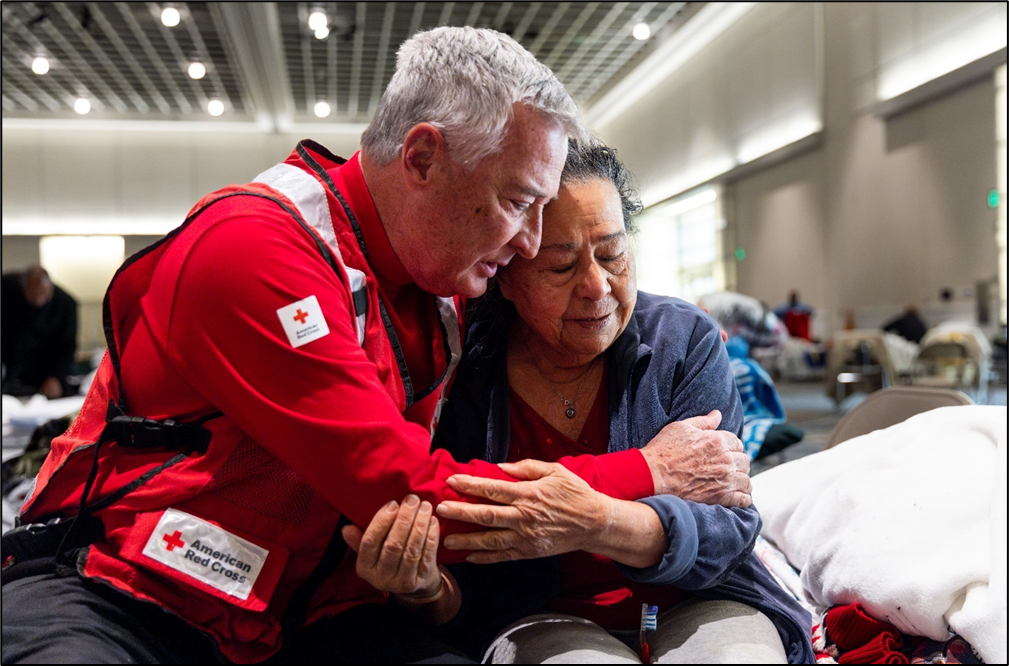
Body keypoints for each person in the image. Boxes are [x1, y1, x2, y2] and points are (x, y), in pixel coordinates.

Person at [2, 28, 751, 665]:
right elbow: (408, 490)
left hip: (312, 611)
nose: (527, 243)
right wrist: (645, 471)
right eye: (518, 202)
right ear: (422, 159)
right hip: (123, 593)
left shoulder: (459, 291)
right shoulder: (253, 252)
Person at [415, 141, 809, 662]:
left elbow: (726, 529)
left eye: (613, 254)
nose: (597, 286)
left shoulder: (683, 339)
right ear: (504, 274)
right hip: (541, 615)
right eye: (561, 268)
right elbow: (463, 541)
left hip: (700, 598)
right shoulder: (469, 367)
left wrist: (595, 519)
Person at [2, 265, 78, 398]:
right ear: (24, 288)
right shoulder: (7, 289)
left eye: (44, 295)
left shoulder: (66, 304)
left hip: (45, 366)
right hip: (10, 361)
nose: (39, 300)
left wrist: (56, 376)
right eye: (33, 295)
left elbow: (67, 346)